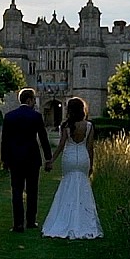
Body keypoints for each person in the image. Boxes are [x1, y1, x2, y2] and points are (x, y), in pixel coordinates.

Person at [40, 97, 103, 239]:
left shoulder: (66, 125)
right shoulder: (88, 126)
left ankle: (65, 219)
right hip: (82, 158)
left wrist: (51, 160)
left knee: (67, 185)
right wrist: (91, 165)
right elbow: (90, 147)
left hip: (69, 158)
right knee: (82, 187)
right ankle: (83, 220)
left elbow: (62, 145)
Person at [0, 87, 53, 232]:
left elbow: (5, 141)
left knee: (16, 191)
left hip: (15, 159)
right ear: (29, 100)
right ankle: (30, 221)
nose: (34, 103)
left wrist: (4, 159)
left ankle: (17, 224)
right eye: (33, 100)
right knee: (32, 190)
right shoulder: (35, 116)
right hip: (32, 158)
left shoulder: (9, 116)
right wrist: (49, 158)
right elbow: (43, 138)